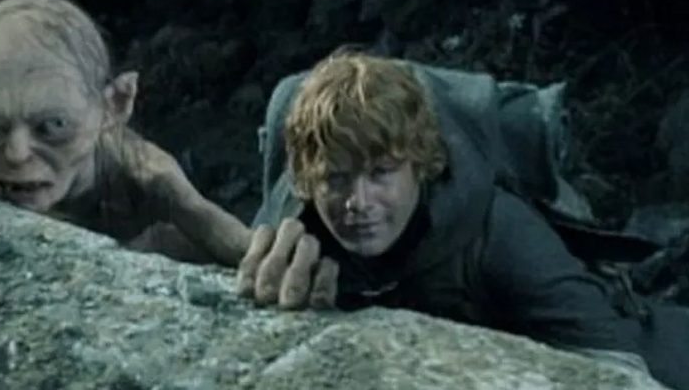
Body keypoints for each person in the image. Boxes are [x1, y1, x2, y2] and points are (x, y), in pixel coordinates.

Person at [236, 53, 687, 390]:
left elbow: (618, 364)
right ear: (307, 181)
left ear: (420, 166)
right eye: (336, 179)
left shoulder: (498, 229)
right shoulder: (298, 222)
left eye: (381, 174)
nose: (358, 202)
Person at [0, 0, 251, 265]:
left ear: (116, 105)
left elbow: (248, 260)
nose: (15, 154)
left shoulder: (149, 182)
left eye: (53, 126)